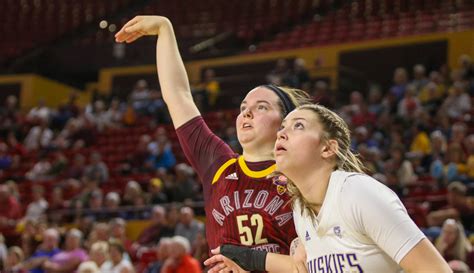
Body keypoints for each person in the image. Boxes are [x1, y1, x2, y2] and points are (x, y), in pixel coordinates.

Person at [115, 15, 310, 260]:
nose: (247, 112)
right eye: (243, 108)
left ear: (285, 124)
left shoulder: (305, 175)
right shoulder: (218, 164)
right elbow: (178, 96)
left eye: (261, 107)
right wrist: (165, 30)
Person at [205, 104, 451, 273]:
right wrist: (242, 257)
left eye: (298, 126)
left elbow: (435, 269)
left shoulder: (357, 193)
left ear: (327, 148)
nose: (281, 134)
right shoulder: (302, 209)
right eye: (282, 128)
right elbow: (299, 266)